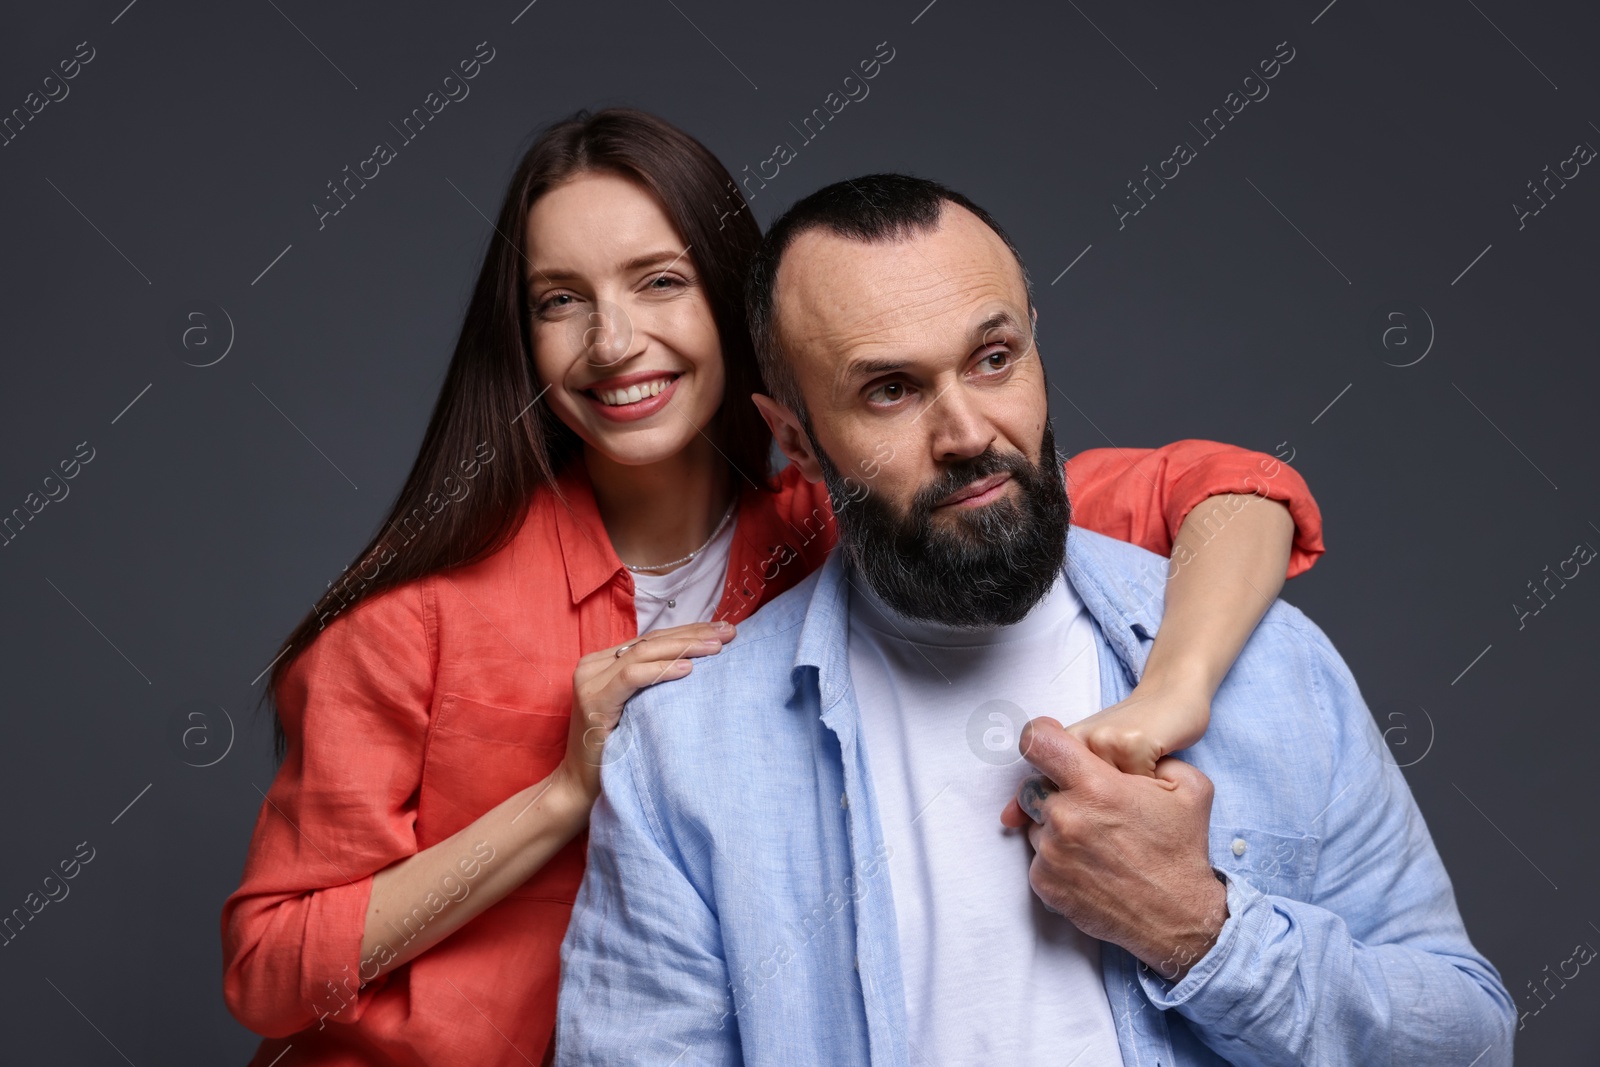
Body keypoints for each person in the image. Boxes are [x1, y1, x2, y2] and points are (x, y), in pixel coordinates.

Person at [220, 110, 1324, 1066]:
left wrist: (1172, 691)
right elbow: (270, 973)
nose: (614, 343)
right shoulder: (410, 622)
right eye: (562, 299)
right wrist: (562, 793)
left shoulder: (849, 527)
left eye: (660, 282)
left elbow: (1231, 491)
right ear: (522, 335)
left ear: (741, 317)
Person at [554, 173, 1516, 1066]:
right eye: (889, 390)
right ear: (796, 436)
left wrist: (1202, 933)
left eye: (993, 358)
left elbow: (1470, 1038)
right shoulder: (686, 758)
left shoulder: (1273, 667)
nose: (968, 431)